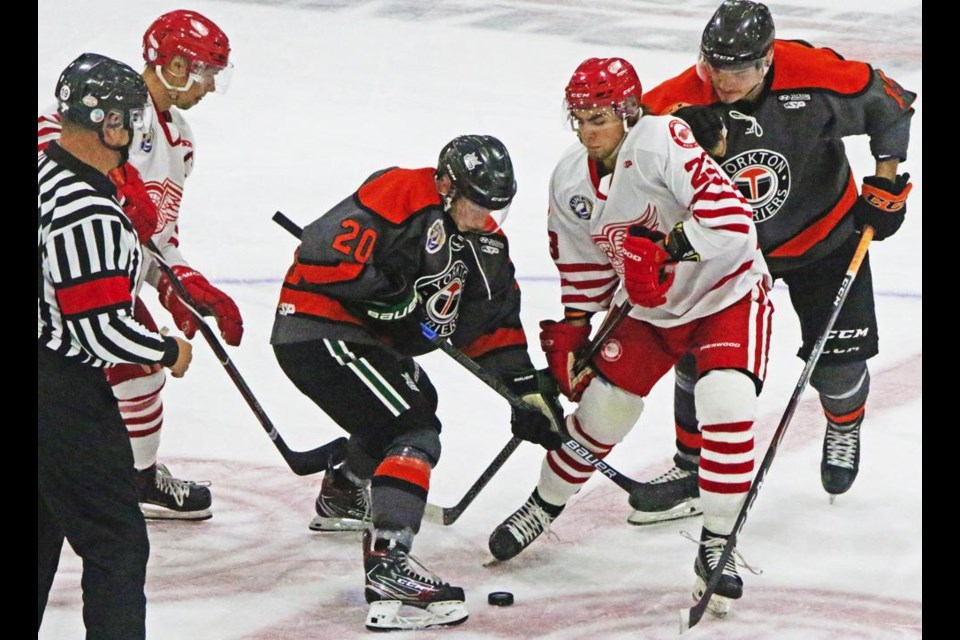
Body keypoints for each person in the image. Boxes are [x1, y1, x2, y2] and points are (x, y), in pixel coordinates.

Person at [485, 56, 773, 617]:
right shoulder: (570, 179)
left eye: (600, 117)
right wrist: (574, 328)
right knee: (603, 410)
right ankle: (544, 503)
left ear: (628, 110)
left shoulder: (666, 139)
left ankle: (718, 543)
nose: (590, 131)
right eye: (581, 119)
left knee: (726, 403)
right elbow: (583, 263)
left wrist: (668, 249)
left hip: (726, 294)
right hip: (650, 308)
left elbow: (734, 221)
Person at [627, 0, 917, 525]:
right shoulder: (671, 104)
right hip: (727, 252)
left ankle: (844, 423)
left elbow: (890, 103)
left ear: (766, 61)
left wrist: (887, 180)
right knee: (702, 360)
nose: (724, 80)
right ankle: (692, 465)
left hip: (821, 234)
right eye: (715, 66)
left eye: (739, 69)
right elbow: (628, 173)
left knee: (839, 364)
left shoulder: (814, 73)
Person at [271, 134, 565, 630]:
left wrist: (524, 390)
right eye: (476, 204)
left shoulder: (487, 244)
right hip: (321, 330)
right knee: (412, 429)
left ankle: (344, 489)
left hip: (365, 342)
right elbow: (320, 253)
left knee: (411, 400)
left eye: (496, 207)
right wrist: (384, 294)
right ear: (448, 185)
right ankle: (388, 564)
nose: (484, 217)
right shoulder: (401, 192)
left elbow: (492, 324)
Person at [37, 9, 243, 520]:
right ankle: (114, 483)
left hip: (105, 268)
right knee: (124, 367)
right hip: (63, 269)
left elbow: (157, 236)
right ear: (174, 66)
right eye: (207, 72)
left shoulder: (181, 141)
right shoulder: (107, 111)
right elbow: (51, 140)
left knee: (140, 374)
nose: (211, 86)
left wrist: (181, 281)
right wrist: (120, 190)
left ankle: (133, 479)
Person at [39, 53, 193, 638]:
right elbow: (98, 328)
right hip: (62, 398)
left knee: (41, 529)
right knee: (116, 544)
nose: (134, 132)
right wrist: (165, 349)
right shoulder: (90, 211)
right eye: (129, 120)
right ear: (108, 126)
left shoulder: (45, 174)